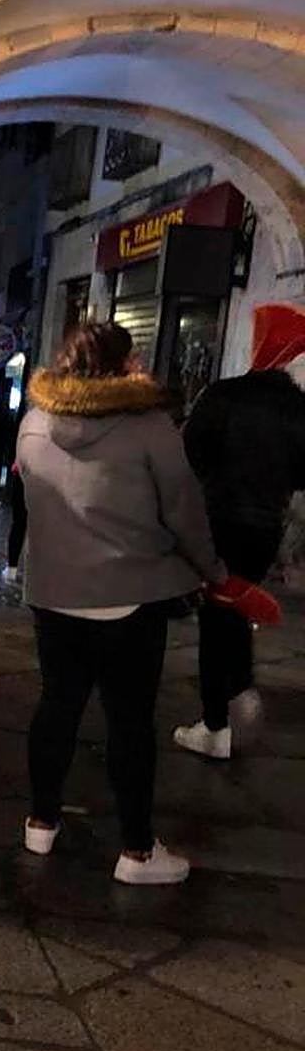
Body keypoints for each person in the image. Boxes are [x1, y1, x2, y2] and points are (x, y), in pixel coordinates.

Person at [17, 321, 223, 887]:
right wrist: (213, 572)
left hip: (55, 594)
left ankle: (41, 823)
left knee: (57, 706)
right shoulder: (150, 426)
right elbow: (183, 509)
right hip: (130, 597)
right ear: (123, 363)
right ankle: (136, 851)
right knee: (130, 721)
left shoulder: (35, 421)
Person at [173, 301, 305, 760]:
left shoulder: (224, 395)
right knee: (238, 603)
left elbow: (190, 455)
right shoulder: (298, 409)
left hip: (219, 520)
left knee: (216, 612)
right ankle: (239, 688)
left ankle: (217, 722)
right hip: (265, 526)